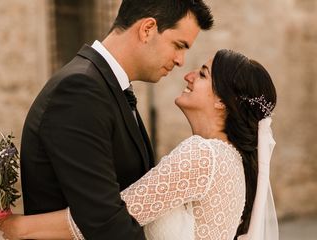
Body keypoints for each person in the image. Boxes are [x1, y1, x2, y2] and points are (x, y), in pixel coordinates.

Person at [0, 49, 278, 240]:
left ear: (222, 101)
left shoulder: (204, 155)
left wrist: (18, 227)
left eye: (203, 74)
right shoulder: (229, 158)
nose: (188, 75)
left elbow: (109, 217)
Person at [12, 0, 214, 239]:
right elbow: (104, 222)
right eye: (178, 45)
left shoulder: (108, 88)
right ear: (147, 29)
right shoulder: (79, 90)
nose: (181, 60)